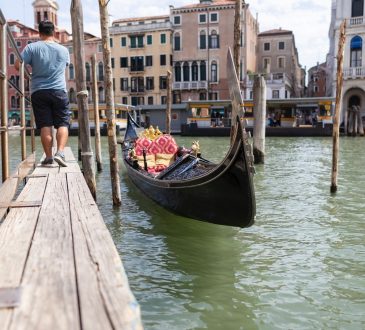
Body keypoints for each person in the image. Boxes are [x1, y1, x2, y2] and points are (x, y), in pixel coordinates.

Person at [15, 20, 70, 167]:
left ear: (39, 33)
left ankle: (49, 157)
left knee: (45, 124)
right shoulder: (64, 50)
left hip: (39, 91)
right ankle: (60, 152)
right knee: (62, 123)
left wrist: (28, 76)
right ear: (53, 32)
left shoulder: (31, 48)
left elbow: (17, 65)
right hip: (59, 91)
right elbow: (64, 66)